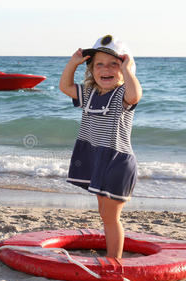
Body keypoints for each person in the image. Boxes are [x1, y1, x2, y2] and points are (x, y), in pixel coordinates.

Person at [59, 35, 142, 258]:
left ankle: (114, 261)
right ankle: (111, 254)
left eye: (114, 64)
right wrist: (72, 63)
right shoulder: (89, 94)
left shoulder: (121, 94)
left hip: (117, 162)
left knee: (112, 217)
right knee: (104, 214)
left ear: (123, 68)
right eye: (100, 64)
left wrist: (128, 70)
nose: (106, 69)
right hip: (96, 158)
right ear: (91, 70)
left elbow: (135, 96)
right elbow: (64, 86)